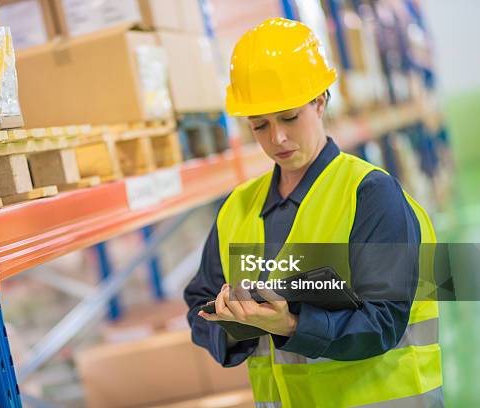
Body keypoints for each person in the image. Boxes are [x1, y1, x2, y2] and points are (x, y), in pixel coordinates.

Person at [183, 18, 443, 407]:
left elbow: (385, 320)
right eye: (260, 126)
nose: (278, 139)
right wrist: (236, 326)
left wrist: (290, 325)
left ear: (320, 101)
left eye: (289, 118)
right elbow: (198, 306)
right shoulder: (237, 208)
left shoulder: (370, 194)